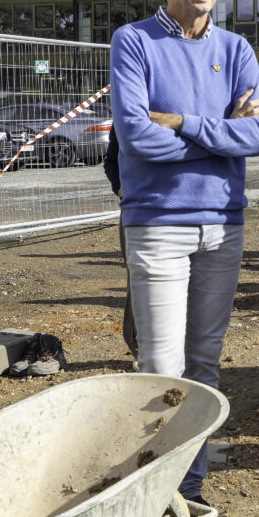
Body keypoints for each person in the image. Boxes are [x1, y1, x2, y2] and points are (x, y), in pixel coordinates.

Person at [111, 0, 259, 517]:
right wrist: (221, 131)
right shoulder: (133, 42)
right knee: (160, 365)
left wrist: (181, 121)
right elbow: (134, 136)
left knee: (204, 366)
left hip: (223, 224)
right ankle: (147, 501)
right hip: (158, 224)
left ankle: (189, 494)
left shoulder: (235, 50)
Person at [102, 131, 138, 358]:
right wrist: (119, 187)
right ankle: (140, 348)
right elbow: (111, 160)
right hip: (137, 209)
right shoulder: (128, 106)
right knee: (138, 280)